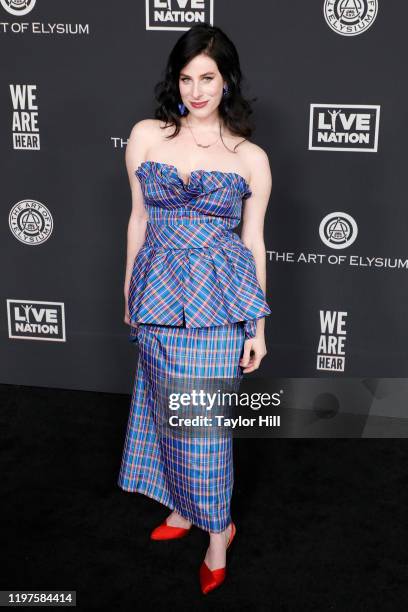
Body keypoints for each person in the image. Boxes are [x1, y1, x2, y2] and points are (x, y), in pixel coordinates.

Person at [117, 23, 272, 594]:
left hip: (219, 303)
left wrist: (257, 325)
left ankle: (216, 531)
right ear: (175, 82)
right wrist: (129, 292)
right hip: (157, 292)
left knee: (202, 424)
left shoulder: (250, 156)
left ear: (227, 80)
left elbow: (253, 243)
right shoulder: (146, 137)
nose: (197, 90)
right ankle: (183, 508)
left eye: (208, 77)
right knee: (162, 407)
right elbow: (137, 219)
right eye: (186, 78)